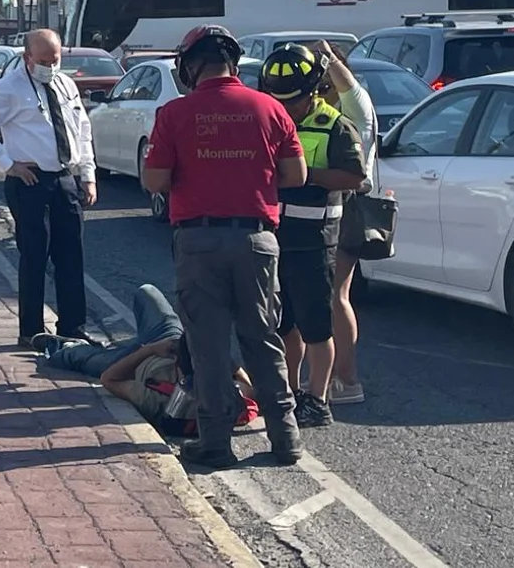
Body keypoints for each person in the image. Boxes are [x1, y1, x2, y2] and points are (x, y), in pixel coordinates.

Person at [141, 24, 306, 469]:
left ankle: (216, 443)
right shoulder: (270, 108)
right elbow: (296, 175)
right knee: (263, 340)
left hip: (198, 241)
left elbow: (154, 181)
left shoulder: (175, 114)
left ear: (191, 67)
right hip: (257, 239)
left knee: (209, 345)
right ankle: (285, 438)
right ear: (233, 62)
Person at [0, 28, 97, 349]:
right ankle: (32, 331)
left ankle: (72, 327)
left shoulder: (66, 85)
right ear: (27, 58)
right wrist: (7, 164)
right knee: (35, 256)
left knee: (71, 256)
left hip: (65, 178)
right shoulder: (9, 88)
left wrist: (88, 174)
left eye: (55, 59)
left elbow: (81, 130)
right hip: (30, 180)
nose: (49, 66)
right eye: (42, 60)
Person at [257, 44, 366, 428]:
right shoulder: (271, 122)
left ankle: (317, 399)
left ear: (315, 90)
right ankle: (289, 392)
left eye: (297, 100)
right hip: (276, 237)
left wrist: (304, 175)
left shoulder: (335, 125)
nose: (289, 108)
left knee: (316, 323)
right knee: (285, 324)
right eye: (280, 100)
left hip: (316, 239)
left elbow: (355, 177)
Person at [34, 284, 256, 400]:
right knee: (146, 292)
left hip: (139, 360)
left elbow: (109, 379)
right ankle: (129, 342)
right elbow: (249, 389)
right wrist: (224, 359)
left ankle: (62, 347)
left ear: (178, 364)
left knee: (84, 358)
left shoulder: (158, 399)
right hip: (167, 340)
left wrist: (149, 350)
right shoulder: (229, 394)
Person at [311, 41, 378, 405]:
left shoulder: (355, 105)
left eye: (322, 81)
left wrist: (327, 56)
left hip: (346, 206)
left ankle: (347, 379)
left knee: (335, 296)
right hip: (327, 207)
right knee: (327, 295)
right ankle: (333, 376)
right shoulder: (326, 111)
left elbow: (347, 86)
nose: (319, 89)